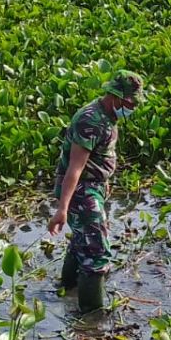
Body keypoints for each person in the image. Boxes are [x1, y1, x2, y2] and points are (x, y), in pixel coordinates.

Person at [49, 69, 145, 313]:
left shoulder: (107, 114)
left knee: (83, 238)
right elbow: (75, 168)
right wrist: (62, 209)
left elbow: (99, 157)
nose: (132, 107)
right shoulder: (90, 121)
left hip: (93, 186)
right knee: (97, 251)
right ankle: (91, 319)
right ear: (115, 97)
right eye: (129, 102)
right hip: (81, 190)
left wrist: (104, 183)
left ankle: (67, 288)